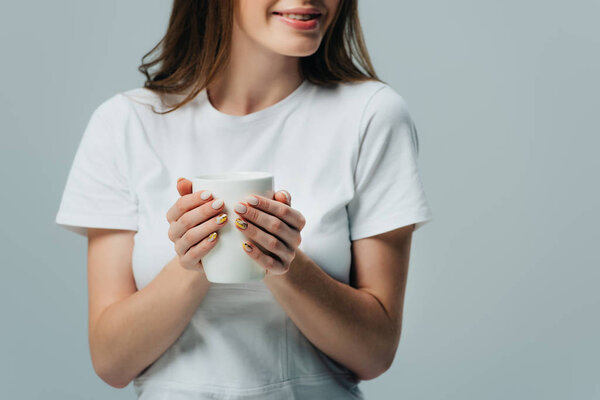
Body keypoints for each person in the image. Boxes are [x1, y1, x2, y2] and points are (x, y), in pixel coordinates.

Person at [55, 0, 433, 399]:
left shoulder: (372, 116)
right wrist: (195, 261)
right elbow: (111, 361)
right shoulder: (125, 124)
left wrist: (285, 264)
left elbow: (375, 353)